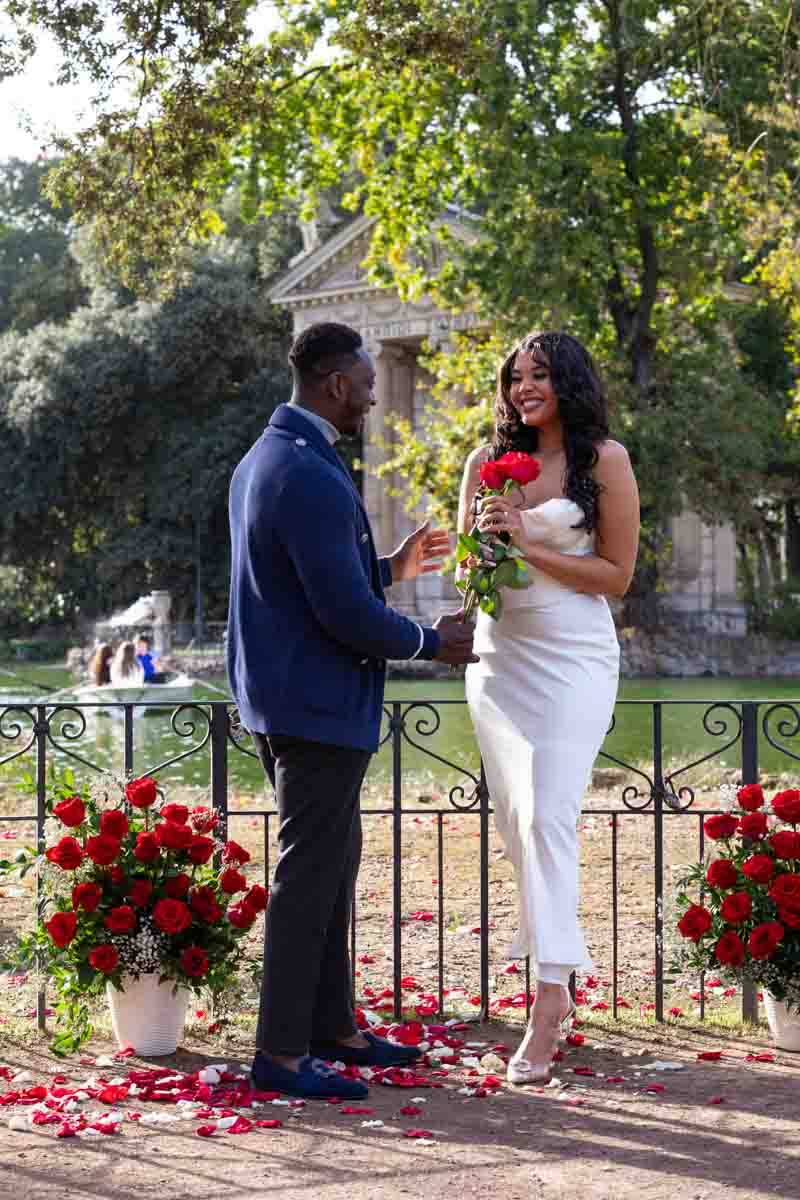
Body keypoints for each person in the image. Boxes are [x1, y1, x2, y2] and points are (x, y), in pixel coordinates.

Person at [227, 321, 478, 1101]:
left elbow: (311, 580)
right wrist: (434, 641)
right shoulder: (303, 470)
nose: (373, 398)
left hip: (289, 699)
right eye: (367, 386)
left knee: (332, 868)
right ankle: (279, 1054)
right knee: (308, 879)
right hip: (313, 705)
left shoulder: (271, 458)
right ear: (336, 383)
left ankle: (334, 1028)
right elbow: (340, 614)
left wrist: (390, 567)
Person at [458, 331, 639, 1085]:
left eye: (539, 374)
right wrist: (480, 544)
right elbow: (468, 570)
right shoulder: (482, 463)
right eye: (514, 376)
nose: (524, 386)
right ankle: (554, 974)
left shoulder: (607, 460)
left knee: (548, 818)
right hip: (500, 660)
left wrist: (528, 546)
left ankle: (548, 1003)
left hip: (573, 658)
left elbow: (616, 574)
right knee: (517, 827)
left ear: (567, 381)